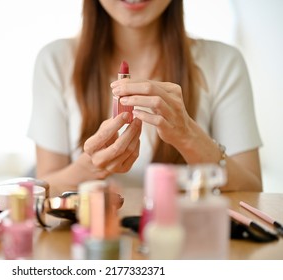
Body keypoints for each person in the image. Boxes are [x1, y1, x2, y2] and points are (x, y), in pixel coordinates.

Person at [27, 0, 262, 196]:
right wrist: (91, 168)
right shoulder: (55, 61)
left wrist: (190, 137)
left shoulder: (224, 63)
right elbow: (44, 189)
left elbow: (253, 191)